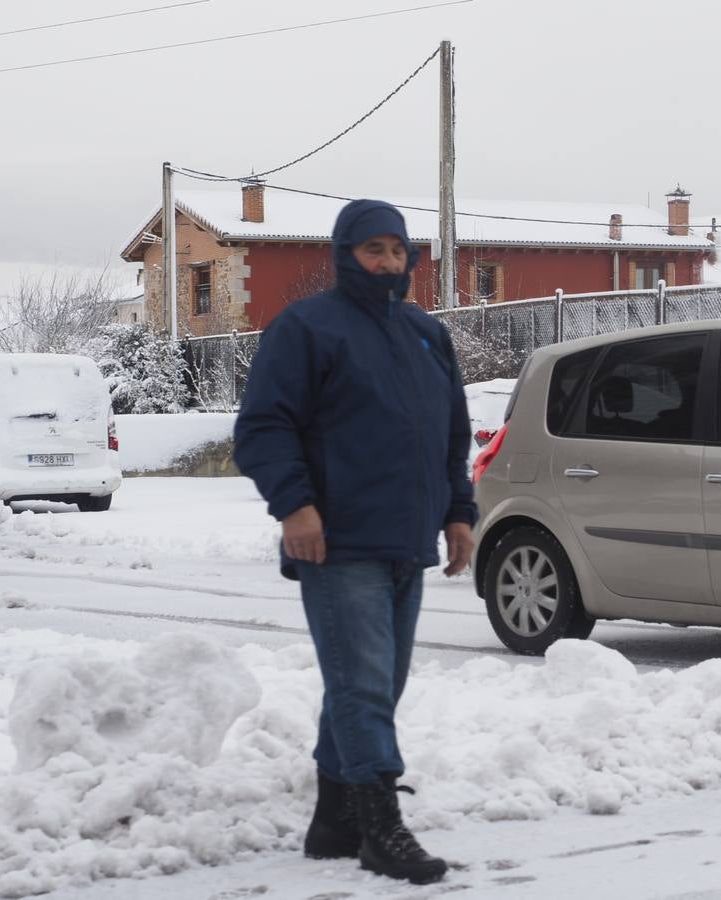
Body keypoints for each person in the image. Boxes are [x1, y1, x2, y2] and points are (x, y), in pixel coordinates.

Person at [233, 199, 476, 886]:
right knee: (364, 683)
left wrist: (459, 512)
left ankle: (333, 821)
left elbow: (451, 434)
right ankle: (379, 827)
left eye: (397, 250)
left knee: (373, 683)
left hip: (406, 538)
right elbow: (262, 427)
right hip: (336, 541)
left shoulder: (426, 333)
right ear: (345, 254)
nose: (388, 262)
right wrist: (294, 506)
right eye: (374, 250)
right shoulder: (306, 328)